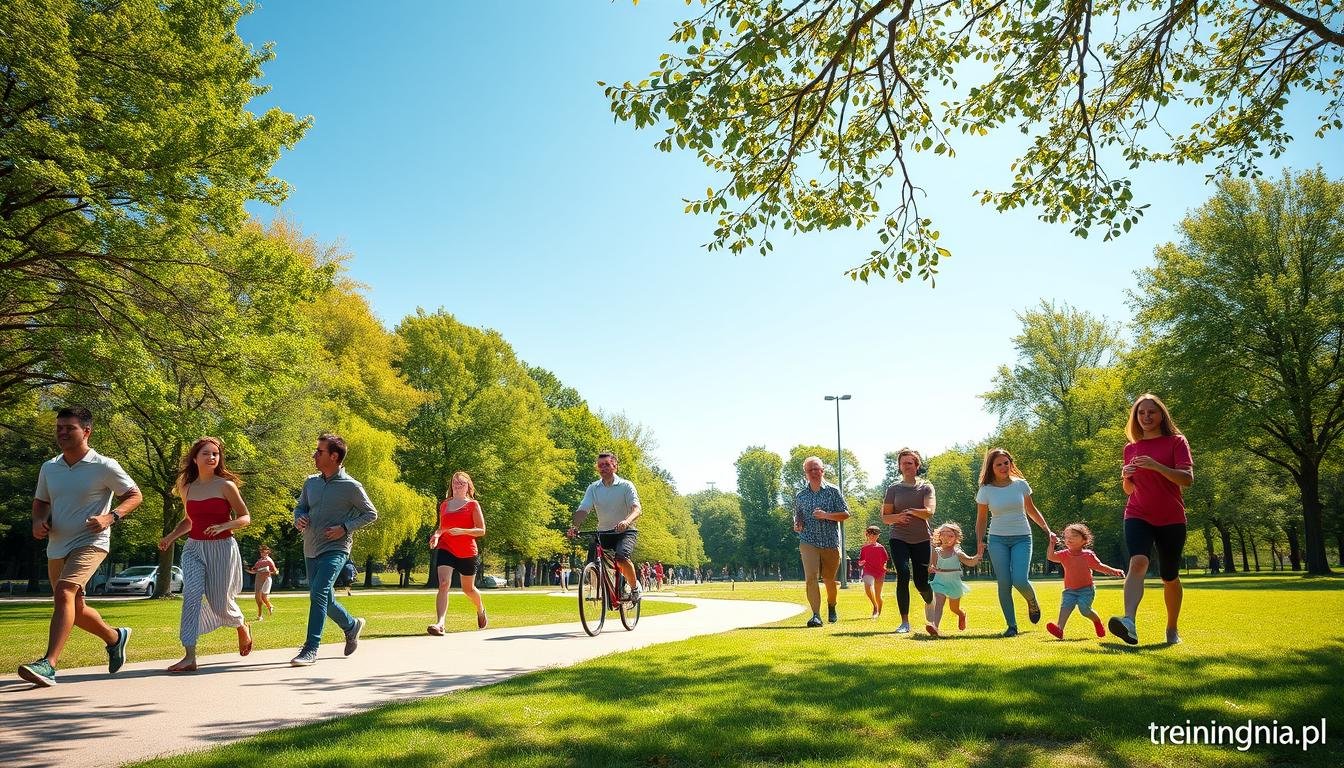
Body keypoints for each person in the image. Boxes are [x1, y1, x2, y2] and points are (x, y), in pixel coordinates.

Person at [18, 406, 143, 688]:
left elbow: (135, 495)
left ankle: (48, 664)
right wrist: (38, 521)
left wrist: (110, 517)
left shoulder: (105, 465)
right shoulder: (49, 467)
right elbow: (41, 502)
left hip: (92, 541)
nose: (62, 433)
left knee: (64, 592)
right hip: (57, 544)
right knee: (74, 606)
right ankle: (115, 637)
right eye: (59, 428)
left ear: (86, 431)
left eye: (69, 428)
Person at [157, 437, 252, 673]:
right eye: (206, 454)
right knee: (190, 597)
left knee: (220, 604)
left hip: (221, 548)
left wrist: (224, 525)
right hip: (194, 548)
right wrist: (170, 536)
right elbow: (190, 521)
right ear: (195, 458)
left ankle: (241, 625)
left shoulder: (226, 486)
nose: (212, 457)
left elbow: (245, 517)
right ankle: (189, 656)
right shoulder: (186, 487)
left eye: (215, 454)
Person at [1110, 394, 1194, 646]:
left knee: (1169, 576)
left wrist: (1157, 466)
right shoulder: (1130, 448)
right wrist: (1125, 477)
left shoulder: (1176, 442)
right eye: (1141, 413)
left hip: (1171, 518)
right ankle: (1129, 623)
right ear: (1135, 417)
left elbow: (1187, 480)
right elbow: (1129, 490)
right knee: (1137, 562)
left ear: (1161, 415)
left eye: (1151, 412)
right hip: (1137, 514)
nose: (1146, 417)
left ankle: (1172, 628)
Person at [290, 433, 378, 667]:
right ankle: (351, 625)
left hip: (336, 548)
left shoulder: (351, 486)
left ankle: (311, 649)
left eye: (319, 451)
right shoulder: (311, 482)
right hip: (311, 547)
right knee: (323, 598)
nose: (314, 455)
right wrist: (299, 518)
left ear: (334, 456)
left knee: (318, 592)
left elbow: (371, 513)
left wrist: (345, 528)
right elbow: (300, 508)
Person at [975, 447, 1054, 637]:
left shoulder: (1021, 485)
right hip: (997, 540)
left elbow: (1031, 510)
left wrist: (1047, 530)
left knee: (1019, 580)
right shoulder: (986, 490)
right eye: (998, 464)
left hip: (1022, 537)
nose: (1003, 467)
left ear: (1010, 463)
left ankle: (1032, 601)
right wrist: (980, 540)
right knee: (1004, 583)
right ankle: (1012, 626)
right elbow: (981, 519)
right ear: (991, 467)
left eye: (1005, 463)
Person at [566, 451, 642, 603]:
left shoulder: (626, 485)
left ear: (615, 466)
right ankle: (603, 588)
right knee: (593, 561)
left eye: (607, 465)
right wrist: (574, 526)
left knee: (621, 558)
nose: (603, 468)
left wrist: (626, 521)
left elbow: (637, 508)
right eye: (600, 465)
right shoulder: (593, 488)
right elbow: (583, 508)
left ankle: (634, 588)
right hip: (604, 532)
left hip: (625, 531)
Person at [880, 448, 936, 634]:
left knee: (921, 582)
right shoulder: (893, 489)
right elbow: (885, 518)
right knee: (903, 574)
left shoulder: (926, 487)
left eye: (910, 463)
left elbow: (929, 511)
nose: (906, 466)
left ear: (917, 465)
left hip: (921, 539)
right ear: (899, 466)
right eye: (903, 463)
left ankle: (930, 600)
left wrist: (910, 512)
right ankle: (904, 622)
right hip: (899, 537)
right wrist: (897, 518)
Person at [427, 470, 488, 635]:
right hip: (447, 547)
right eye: (455, 482)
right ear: (451, 485)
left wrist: (462, 531)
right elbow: (442, 527)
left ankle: (481, 609)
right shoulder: (445, 504)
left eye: (462, 483)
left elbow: (481, 530)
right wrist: (437, 536)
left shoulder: (473, 505)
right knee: (444, 584)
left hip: (467, 551)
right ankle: (440, 624)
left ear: (468, 486)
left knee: (468, 589)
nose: (458, 485)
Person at [793, 455, 850, 627]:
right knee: (811, 577)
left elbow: (845, 514)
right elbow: (798, 515)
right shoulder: (801, 495)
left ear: (822, 471)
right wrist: (797, 523)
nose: (814, 472)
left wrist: (826, 515)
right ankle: (816, 615)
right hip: (808, 541)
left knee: (828, 579)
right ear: (805, 474)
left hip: (830, 542)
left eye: (816, 469)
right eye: (810, 470)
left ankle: (832, 605)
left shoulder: (833, 491)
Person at [1046, 523, 1125, 640]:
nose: (1069, 539)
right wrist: (1052, 543)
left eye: (1074, 536)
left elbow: (1100, 566)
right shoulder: (1064, 554)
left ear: (1084, 540)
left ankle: (1097, 621)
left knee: (1084, 610)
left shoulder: (1087, 555)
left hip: (1086, 590)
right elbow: (1050, 557)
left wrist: (1114, 571)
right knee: (1065, 607)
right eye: (1066, 537)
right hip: (1069, 590)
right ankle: (1059, 629)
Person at [926, 522, 981, 637]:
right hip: (939, 581)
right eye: (944, 534)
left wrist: (978, 555)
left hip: (954, 584)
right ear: (939, 536)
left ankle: (961, 615)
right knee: (939, 604)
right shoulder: (936, 551)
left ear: (956, 538)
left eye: (950, 535)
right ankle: (934, 626)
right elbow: (932, 566)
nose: (946, 538)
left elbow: (970, 562)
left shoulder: (957, 552)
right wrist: (930, 568)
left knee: (954, 608)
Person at [857, 525, 889, 618]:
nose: (872, 536)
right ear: (867, 535)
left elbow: (885, 560)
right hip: (868, 571)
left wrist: (884, 566)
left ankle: (878, 612)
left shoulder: (881, 548)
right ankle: (875, 607)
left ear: (878, 536)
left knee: (878, 594)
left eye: (874, 534)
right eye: (870, 534)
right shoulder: (864, 548)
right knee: (868, 589)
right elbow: (860, 561)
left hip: (879, 572)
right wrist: (861, 563)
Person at [246, 544, 277, 620]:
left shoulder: (269, 561)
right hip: (259, 579)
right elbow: (254, 571)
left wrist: (268, 572)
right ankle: (267, 608)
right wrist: (248, 570)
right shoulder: (259, 561)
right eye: (261, 552)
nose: (262, 553)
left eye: (264, 552)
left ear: (268, 552)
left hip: (266, 580)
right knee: (258, 597)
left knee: (262, 597)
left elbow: (275, 571)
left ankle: (261, 615)